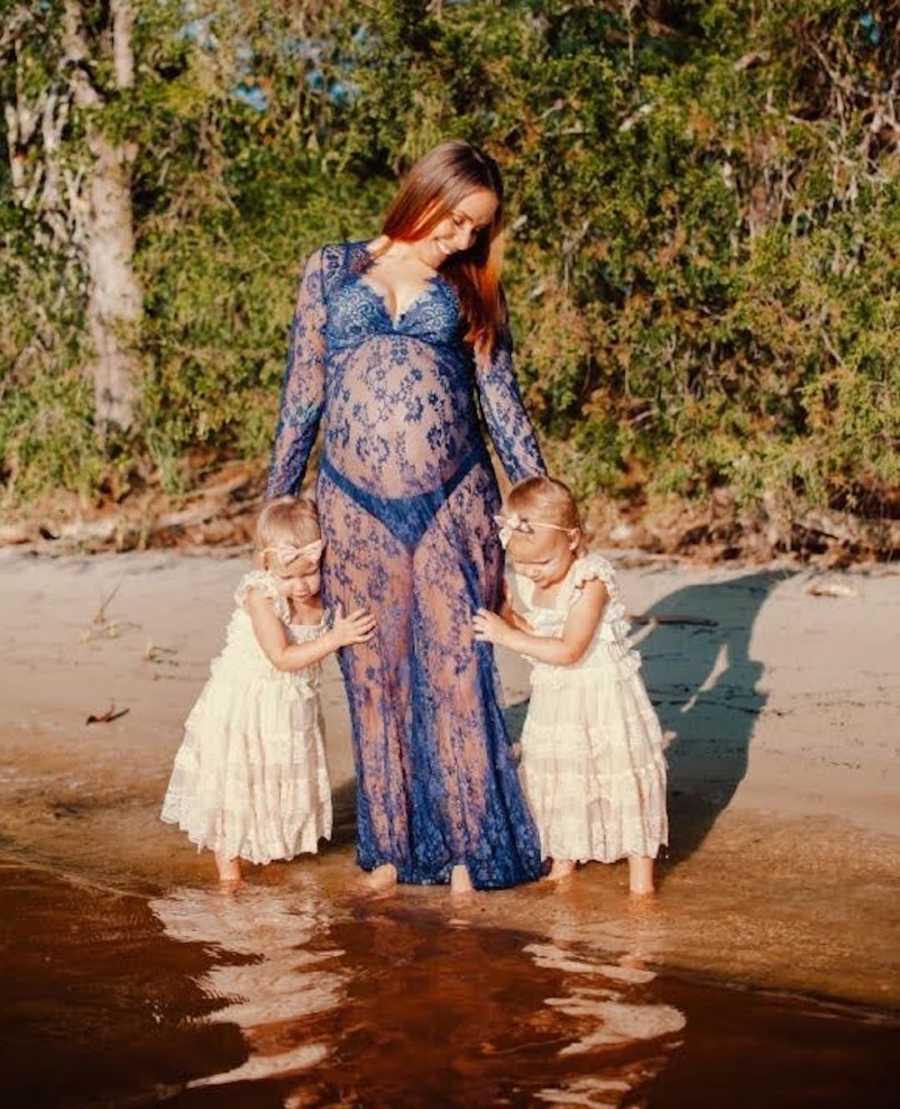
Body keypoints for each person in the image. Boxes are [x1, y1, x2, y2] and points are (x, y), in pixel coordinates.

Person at [266, 139, 546, 895]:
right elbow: (302, 397)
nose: (462, 240)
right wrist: (275, 509)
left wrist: (542, 508)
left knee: (459, 672)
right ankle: (390, 848)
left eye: (476, 231)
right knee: (374, 672)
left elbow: (502, 403)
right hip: (350, 506)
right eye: (455, 221)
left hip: (458, 501)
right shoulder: (330, 269)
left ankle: (469, 851)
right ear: (422, 194)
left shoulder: (472, 290)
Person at [161, 496, 376, 888]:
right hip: (246, 706)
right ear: (266, 565)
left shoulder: (324, 594)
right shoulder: (262, 595)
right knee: (239, 784)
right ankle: (230, 879)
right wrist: (336, 637)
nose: (301, 585)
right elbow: (282, 657)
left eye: (310, 572)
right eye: (289, 576)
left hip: (290, 707)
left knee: (275, 785)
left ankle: (270, 848)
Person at [472, 476, 668, 894]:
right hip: (558, 699)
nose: (531, 573)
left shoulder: (590, 579)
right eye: (521, 564)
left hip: (601, 698)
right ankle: (564, 858)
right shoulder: (532, 577)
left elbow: (570, 649)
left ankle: (641, 882)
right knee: (562, 773)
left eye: (541, 564)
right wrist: (508, 615)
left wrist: (506, 636)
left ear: (574, 540)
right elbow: (538, 643)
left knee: (618, 777)